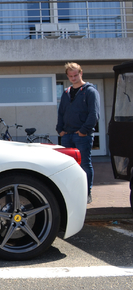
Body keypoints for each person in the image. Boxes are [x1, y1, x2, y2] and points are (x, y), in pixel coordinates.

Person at [56, 62, 100, 204]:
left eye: (76, 75)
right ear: (67, 76)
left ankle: (86, 193)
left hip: (82, 136)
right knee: (66, 166)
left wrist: (83, 131)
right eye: (71, 76)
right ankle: (69, 194)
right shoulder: (66, 93)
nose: (73, 78)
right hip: (67, 136)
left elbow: (94, 114)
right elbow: (61, 112)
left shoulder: (90, 91)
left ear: (81, 73)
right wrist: (60, 130)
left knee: (85, 165)